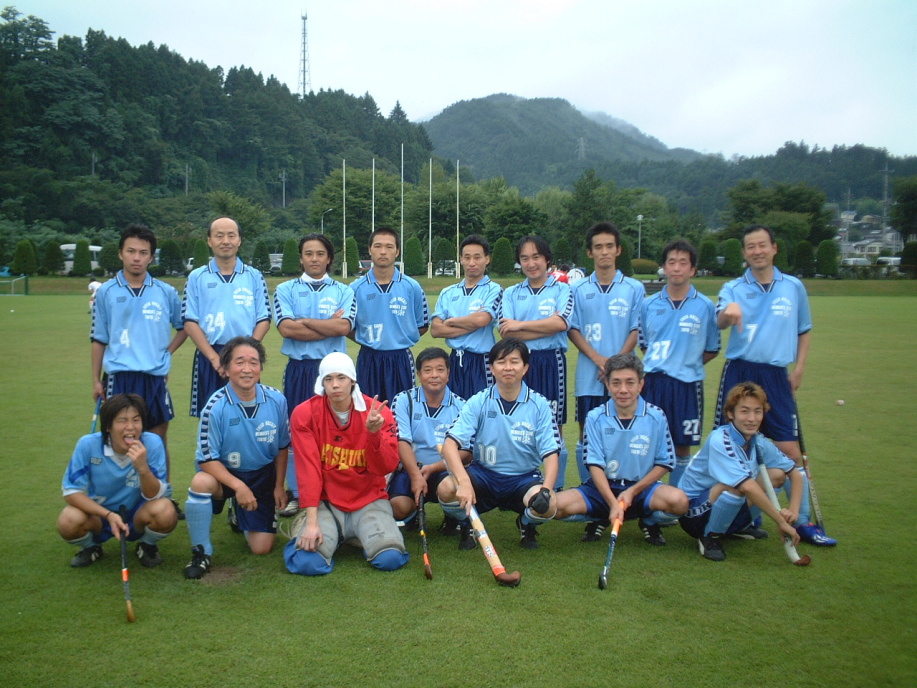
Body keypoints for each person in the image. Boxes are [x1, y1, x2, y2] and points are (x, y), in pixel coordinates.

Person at [714, 225, 836, 546]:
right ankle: (744, 518)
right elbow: (720, 319)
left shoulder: (793, 287)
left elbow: (803, 330)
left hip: (777, 375)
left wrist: (799, 369)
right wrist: (729, 313)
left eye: (762, 245)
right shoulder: (733, 287)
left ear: (774, 248)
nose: (757, 251)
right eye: (750, 247)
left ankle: (804, 522)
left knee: (789, 450)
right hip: (740, 372)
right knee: (736, 449)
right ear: (744, 253)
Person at [284, 352, 409, 575]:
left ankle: (351, 534)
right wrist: (312, 523)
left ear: (352, 380)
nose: (335, 385)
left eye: (341, 377)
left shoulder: (378, 412)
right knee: (307, 562)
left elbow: (387, 467)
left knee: (390, 558)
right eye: (329, 378)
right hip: (327, 503)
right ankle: (332, 530)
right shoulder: (305, 414)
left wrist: (373, 434)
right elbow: (308, 470)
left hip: (369, 500)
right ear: (321, 382)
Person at [182, 336, 290, 580]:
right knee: (200, 482)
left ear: (261, 367)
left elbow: (283, 447)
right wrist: (239, 487)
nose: (247, 369)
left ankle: (239, 512)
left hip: (262, 475)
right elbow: (206, 459)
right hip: (226, 475)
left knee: (261, 548)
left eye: (253, 362)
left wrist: (278, 486)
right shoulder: (215, 407)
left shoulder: (277, 400)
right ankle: (201, 552)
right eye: (239, 362)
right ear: (226, 368)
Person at [437, 338, 560, 550]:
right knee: (446, 487)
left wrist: (547, 490)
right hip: (484, 475)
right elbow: (449, 445)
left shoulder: (540, 405)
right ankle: (466, 521)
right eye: (501, 362)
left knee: (550, 505)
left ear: (525, 368)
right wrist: (464, 481)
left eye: (514, 362)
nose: (508, 368)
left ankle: (526, 523)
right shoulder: (478, 401)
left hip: (523, 478)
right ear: (492, 368)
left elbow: (550, 453)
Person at [554, 354, 688, 546]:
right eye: (616, 383)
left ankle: (649, 520)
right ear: (607, 385)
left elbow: (664, 462)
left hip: (642, 489)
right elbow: (595, 465)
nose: (623, 389)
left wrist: (632, 491)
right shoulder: (595, 417)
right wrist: (612, 502)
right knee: (554, 507)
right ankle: (599, 517)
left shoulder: (656, 416)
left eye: (630, 382)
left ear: (641, 384)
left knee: (680, 502)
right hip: (602, 490)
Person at [91, 224, 186, 474]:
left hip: (154, 378)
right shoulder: (106, 292)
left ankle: (162, 492)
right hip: (118, 376)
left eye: (143, 253)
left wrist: (166, 353)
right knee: (119, 441)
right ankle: (118, 493)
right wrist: (96, 380)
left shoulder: (165, 292)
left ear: (151, 257)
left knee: (157, 440)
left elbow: (184, 327)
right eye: (131, 251)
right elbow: (99, 339)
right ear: (120, 253)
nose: (137, 258)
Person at [274, 233, 356, 517]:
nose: (314, 259)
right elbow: (287, 329)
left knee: (336, 433)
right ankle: (298, 493)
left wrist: (306, 321)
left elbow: (343, 328)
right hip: (300, 369)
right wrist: (326, 324)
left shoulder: (343, 290)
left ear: (329, 258)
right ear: (301, 258)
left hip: (333, 372)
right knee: (298, 432)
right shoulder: (285, 289)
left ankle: (333, 493)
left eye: (320, 253)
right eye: (308, 253)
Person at [568, 222, 644, 524]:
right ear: (590, 252)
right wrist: (597, 358)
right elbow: (573, 328)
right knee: (588, 436)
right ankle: (594, 507)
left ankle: (635, 505)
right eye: (598, 247)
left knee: (628, 436)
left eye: (609, 246)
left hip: (624, 378)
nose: (604, 252)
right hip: (590, 374)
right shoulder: (578, 289)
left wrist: (616, 365)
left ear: (618, 250)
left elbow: (636, 329)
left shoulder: (634, 288)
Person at [679, 382, 804, 562]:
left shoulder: (758, 440)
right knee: (734, 485)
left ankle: (736, 526)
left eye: (757, 411)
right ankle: (710, 536)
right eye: (745, 411)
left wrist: (794, 511)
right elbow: (747, 487)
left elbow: (794, 473)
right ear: (731, 413)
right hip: (693, 513)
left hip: (720, 502)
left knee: (777, 475)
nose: (752, 418)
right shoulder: (720, 440)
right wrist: (781, 521)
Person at [57, 394, 177, 568]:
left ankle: (146, 545)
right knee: (68, 519)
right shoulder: (87, 445)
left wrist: (143, 468)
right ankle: (91, 547)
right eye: (122, 421)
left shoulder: (152, 443)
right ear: (108, 426)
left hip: (138, 514)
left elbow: (155, 495)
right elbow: (71, 492)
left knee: (166, 510)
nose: (131, 427)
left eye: (136, 420)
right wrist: (108, 515)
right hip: (100, 515)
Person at [639, 239, 720, 486]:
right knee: (649, 443)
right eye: (671, 262)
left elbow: (712, 349)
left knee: (682, 445)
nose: (676, 268)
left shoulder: (705, 306)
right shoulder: (648, 304)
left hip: (687, 385)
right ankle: (649, 499)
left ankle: (679, 499)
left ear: (692, 269)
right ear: (664, 267)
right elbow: (645, 344)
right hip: (654, 383)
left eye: (683, 263)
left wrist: (685, 363)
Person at [498, 235, 573, 490]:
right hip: (519, 363)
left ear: (547, 259)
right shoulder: (511, 293)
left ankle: (555, 488)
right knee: (520, 421)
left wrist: (520, 325)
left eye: (536, 257)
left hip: (551, 361)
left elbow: (560, 323)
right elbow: (506, 332)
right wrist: (543, 327)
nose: (531, 263)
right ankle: (522, 483)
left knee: (554, 426)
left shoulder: (562, 289)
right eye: (525, 258)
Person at [182, 216, 271, 417]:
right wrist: (215, 359)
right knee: (210, 417)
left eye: (231, 235)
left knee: (248, 415)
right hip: (210, 356)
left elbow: (264, 319)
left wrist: (247, 353)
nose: (225, 241)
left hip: (245, 356)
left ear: (239, 240)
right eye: (219, 236)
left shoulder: (254, 276)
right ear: (209, 240)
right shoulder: (197, 277)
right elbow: (190, 321)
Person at [388, 347, 471, 538]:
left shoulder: (462, 406)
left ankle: (452, 515)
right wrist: (415, 475)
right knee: (399, 507)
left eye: (440, 369)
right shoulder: (404, 400)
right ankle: (414, 514)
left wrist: (433, 468)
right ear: (419, 374)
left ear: (448, 374)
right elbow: (401, 441)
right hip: (411, 468)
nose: (434, 375)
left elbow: (467, 452)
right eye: (428, 370)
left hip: (445, 469)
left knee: (449, 489)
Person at [350, 227, 429, 402]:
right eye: (378, 246)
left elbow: (422, 325)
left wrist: (396, 338)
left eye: (389, 246)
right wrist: (369, 339)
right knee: (368, 409)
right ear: (370, 250)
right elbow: (348, 327)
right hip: (368, 358)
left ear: (397, 251)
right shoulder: (355, 289)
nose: (383, 252)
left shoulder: (412, 287)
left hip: (400, 359)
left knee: (402, 409)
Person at [430, 235, 503, 400]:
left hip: (481, 362)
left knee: (482, 409)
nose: (472, 263)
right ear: (461, 260)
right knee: (454, 410)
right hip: (454, 361)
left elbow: (482, 320)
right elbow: (435, 330)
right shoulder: (448, 292)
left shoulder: (494, 289)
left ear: (487, 259)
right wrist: (472, 324)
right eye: (467, 257)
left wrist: (451, 322)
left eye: (477, 257)